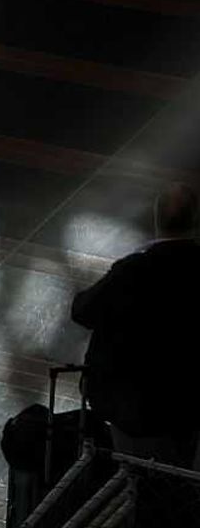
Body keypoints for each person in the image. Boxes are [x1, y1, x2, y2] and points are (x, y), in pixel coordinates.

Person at [72, 182, 200, 468]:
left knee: (138, 478)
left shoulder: (132, 270)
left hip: (135, 406)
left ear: (156, 220)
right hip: (188, 404)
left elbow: (82, 311)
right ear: (195, 222)